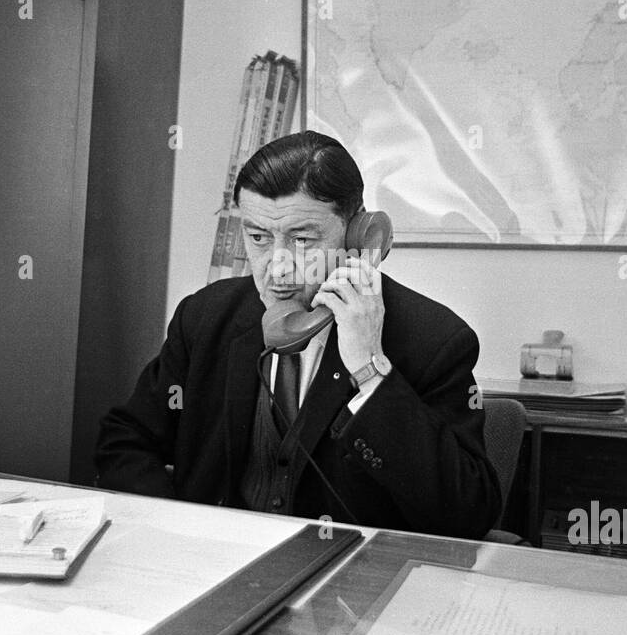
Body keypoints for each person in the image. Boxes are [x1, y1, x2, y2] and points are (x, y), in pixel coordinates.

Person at [94, 130, 500, 539]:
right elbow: (125, 442)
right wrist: (176, 532)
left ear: (361, 235)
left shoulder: (435, 340)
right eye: (258, 237)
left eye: (302, 240)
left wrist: (371, 372)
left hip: (353, 584)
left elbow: (467, 517)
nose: (276, 268)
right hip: (218, 569)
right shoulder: (204, 318)